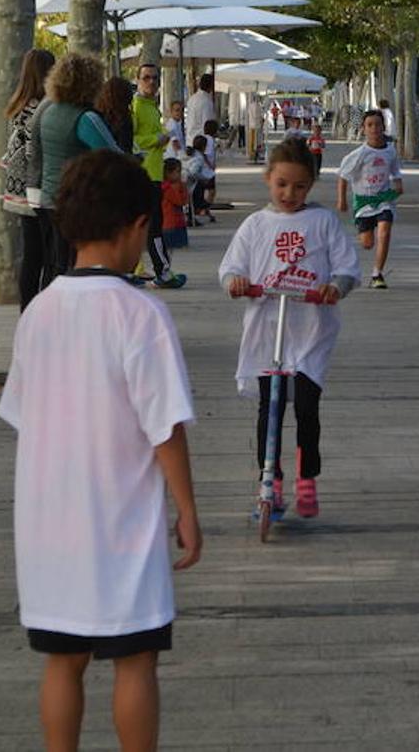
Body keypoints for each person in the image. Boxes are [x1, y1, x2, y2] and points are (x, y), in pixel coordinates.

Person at [0, 149, 201, 752]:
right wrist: (187, 510)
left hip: (47, 527)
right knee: (135, 659)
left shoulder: (38, 313)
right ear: (138, 225)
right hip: (121, 527)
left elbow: (21, 412)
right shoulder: (141, 313)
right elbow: (165, 427)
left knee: (63, 663)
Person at [219, 137, 359, 519]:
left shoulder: (323, 221)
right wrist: (235, 282)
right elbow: (231, 267)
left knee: (308, 408)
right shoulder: (256, 224)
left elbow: (347, 267)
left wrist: (335, 287)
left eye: (299, 186)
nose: (289, 193)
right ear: (268, 179)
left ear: (311, 185)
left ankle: (307, 477)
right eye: (282, 184)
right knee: (271, 408)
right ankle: (271, 480)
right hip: (268, 328)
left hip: (310, 330)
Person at [37, 53, 127, 277]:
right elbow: (112, 155)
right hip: (75, 200)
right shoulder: (85, 118)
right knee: (75, 264)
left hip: (48, 197)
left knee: (55, 261)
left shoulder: (49, 112)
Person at [2, 48, 55, 309]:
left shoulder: (17, 104)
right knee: (46, 254)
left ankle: (27, 312)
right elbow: (36, 150)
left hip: (17, 186)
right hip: (37, 187)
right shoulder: (42, 108)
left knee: (32, 255)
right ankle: (39, 312)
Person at [132, 62, 187, 289]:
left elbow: (151, 133)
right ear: (138, 80)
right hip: (144, 173)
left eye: (155, 78)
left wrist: (161, 135)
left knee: (147, 224)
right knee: (154, 226)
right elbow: (133, 140)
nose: (151, 82)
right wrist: (157, 140)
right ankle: (162, 272)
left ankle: (138, 270)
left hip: (155, 171)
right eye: (146, 78)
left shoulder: (151, 105)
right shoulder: (135, 107)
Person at [338, 109, 403, 289]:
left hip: (383, 199)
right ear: (363, 129)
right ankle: (366, 232)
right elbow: (343, 175)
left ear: (384, 127)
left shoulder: (390, 151)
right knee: (367, 243)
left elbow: (395, 170)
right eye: (370, 125)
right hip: (363, 201)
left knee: (384, 231)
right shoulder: (359, 154)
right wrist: (342, 200)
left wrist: (398, 183)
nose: (374, 129)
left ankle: (377, 274)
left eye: (378, 125)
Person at [160, 159, 189, 249]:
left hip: (178, 224)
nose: (180, 174)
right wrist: (180, 187)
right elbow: (180, 201)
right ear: (168, 173)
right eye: (177, 172)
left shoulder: (176, 186)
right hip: (170, 225)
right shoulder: (167, 188)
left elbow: (185, 200)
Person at [184, 73, 216, 146]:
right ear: (211, 86)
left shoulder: (192, 99)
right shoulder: (206, 101)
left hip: (189, 140)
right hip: (200, 143)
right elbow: (207, 126)